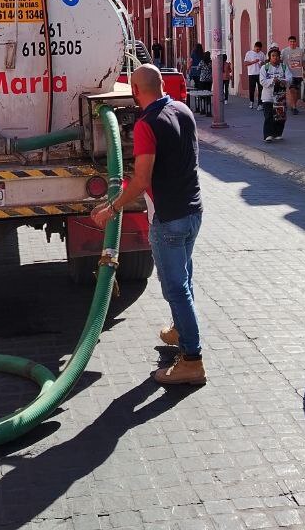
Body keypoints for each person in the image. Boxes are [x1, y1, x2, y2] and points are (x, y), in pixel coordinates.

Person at [89, 64, 206, 386]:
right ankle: (181, 331)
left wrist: (111, 208)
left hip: (168, 219)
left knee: (176, 289)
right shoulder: (183, 110)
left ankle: (192, 361)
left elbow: (141, 180)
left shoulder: (146, 124)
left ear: (137, 92)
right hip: (193, 211)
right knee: (185, 278)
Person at [259, 46, 291, 142]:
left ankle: (278, 133)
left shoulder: (284, 67)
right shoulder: (265, 68)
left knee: (280, 116)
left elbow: (289, 78)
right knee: (268, 116)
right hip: (267, 96)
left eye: (277, 56)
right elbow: (262, 81)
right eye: (273, 56)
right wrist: (273, 80)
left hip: (280, 95)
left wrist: (282, 81)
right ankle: (268, 135)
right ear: (269, 57)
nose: (275, 58)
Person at [281, 36, 305, 115]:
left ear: (296, 42)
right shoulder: (285, 51)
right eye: (291, 41)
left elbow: (303, 62)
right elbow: (281, 61)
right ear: (288, 42)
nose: (292, 43)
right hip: (289, 74)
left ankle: (293, 105)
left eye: (294, 41)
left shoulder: (300, 50)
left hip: (298, 74)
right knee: (292, 90)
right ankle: (294, 107)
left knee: (296, 92)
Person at [243, 41, 265, 110]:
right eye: (257, 49)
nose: (258, 51)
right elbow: (245, 63)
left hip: (260, 74)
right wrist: (253, 62)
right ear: (254, 47)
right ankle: (251, 101)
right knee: (252, 89)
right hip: (252, 73)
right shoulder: (249, 53)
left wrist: (261, 63)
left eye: (259, 49)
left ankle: (260, 104)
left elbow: (265, 63)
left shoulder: (262, 54)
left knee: (260, 89)